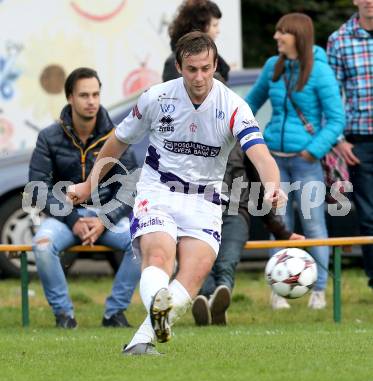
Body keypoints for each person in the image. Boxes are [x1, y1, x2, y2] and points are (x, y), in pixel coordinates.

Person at [67, 32, 285, 355]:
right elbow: (118, 140)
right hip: (158, 191)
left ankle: (142, 339)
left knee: (195, 273)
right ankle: (158, 314)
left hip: (206, 199)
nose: (199, 77)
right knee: (159, 257)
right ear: (180, 67)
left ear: (214, 67)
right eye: (192, 69)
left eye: (206, 69)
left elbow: (261, 155)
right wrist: (89, 185)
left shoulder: (234, 107)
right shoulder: (156, 98)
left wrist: (272, 185)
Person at [245, 13, 345, 309]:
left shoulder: (321, 71)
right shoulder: (271, 67)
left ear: (297, 36)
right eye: (276, 32)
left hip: (306, 163)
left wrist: (313, 150)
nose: (276, 37)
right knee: (278, 224)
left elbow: (336, 119)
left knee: (314, 226)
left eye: (282, 33)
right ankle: (278, 291)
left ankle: (320, 292)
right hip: (274, 161)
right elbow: (249, 103)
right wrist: (247, 135)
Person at [29, 67, 141, 329]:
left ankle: (114, 313)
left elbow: (130, 188)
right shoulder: (49, 137)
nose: (91, 101)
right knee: (43, 246)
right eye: (84, 95)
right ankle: (64, 316)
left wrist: (104, 219)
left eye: (95, 94)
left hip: (107, 217)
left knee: (143, 242)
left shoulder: (117, 135)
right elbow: (37, 187)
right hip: (65, 217)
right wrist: (72, 219)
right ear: (70, 97)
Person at [192, 143, 305, 325]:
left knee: (226, 262)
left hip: (235, 212)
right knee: (201, 263)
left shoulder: (244, 140)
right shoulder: (189, 137)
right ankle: (206, 302)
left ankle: (218, 300)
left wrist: (281, 232)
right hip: (197, 211)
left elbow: (258, 188)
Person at [327, 0, 373, 291]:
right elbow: (332, 94)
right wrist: (338, 140)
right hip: (359, 143)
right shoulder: (339, 40)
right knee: (369, 217)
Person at [162, 0, 230, 83]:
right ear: (200, 26)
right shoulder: (173, 62)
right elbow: (173, 94)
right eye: (215, 25)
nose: (218, 31)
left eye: (206, 68)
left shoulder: (216, 60)